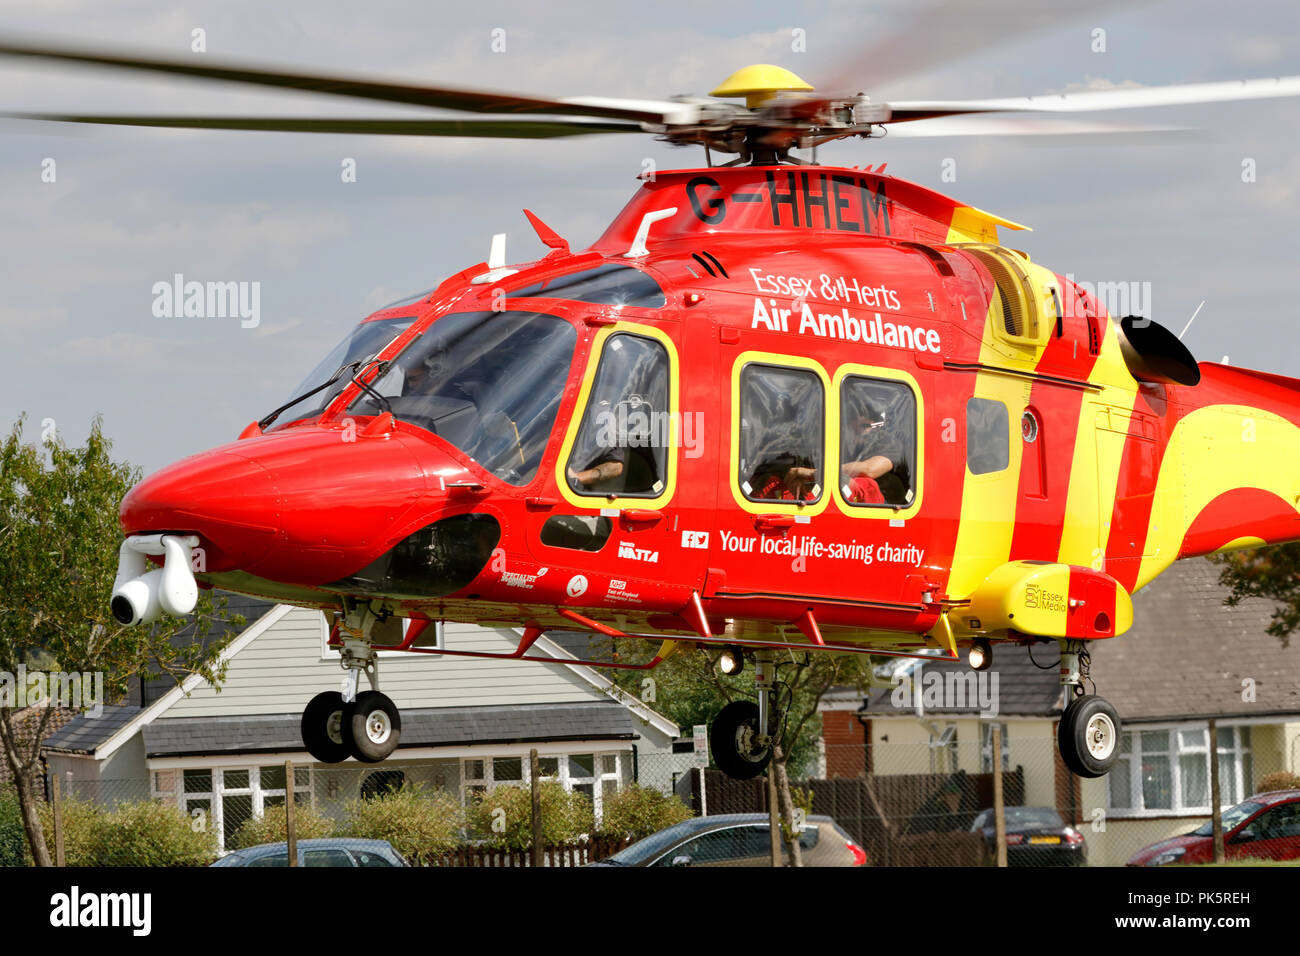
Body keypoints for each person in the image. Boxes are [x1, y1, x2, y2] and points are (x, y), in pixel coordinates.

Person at [841, 406, 909, 505]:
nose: (858, 432)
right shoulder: (842, 446)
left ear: (876, 426)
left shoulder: (888, 443)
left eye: (865, 426)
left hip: (886, 509)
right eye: (851, 427)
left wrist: (823, 473)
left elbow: (870, 470)